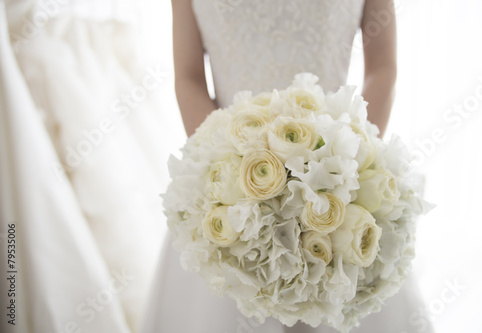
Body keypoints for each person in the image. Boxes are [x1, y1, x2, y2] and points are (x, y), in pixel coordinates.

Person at [141, 1, 433, 332]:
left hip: (336, 183)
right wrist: (226, 170)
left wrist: (350, 167)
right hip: (231, 193)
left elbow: (382, 67)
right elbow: (189, 77)